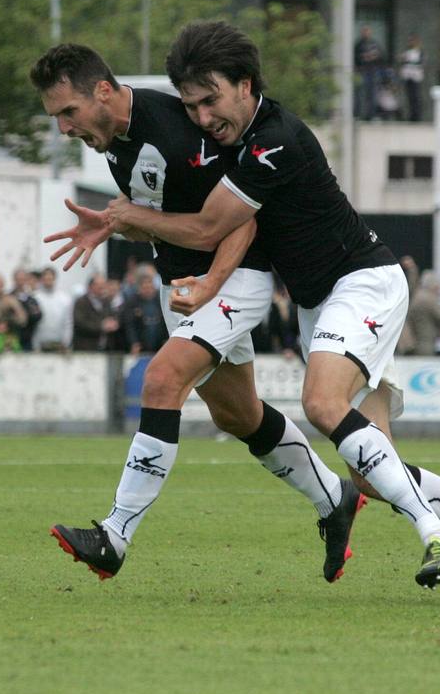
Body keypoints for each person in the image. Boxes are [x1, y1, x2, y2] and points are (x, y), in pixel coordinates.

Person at [53, 22, 440, 601]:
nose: (200, 117)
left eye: (210, 100)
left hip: (363, 281)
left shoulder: (275, 140)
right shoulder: (221, 139)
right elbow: (214, 223)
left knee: (319, 403)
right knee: (370, 471)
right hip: (318, 301)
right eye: (190, 105)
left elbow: (218, 225)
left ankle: (436, 535)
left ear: (245, 85)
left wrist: (135, 225)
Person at [32, 43, 362, 583]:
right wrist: (118, 224)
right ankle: (335, 497)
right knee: (239, 416)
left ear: (104, 91)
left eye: (69, 112)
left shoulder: (177, 131)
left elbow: (241, 219)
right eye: (56, 118)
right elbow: (163, 217)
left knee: (161, 382)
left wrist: (211, 281)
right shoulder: (114, 143)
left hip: (234, 280)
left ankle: (114, 536)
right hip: (182, 286)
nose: (65, 128)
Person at [31, 266, 73, 351]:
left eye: (50, 278)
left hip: (60, 345)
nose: (48, 281)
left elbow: (68, 323)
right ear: (41, 280)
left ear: (54, 279)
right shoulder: (34, 298)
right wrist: (34, 344)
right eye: (45, 279)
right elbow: (32, 323)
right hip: (39, 344)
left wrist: (66, 342)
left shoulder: (65, 299)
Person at [354, 26, 384, 121]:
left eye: (368, 31)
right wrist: (364, 57)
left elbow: (380, 56)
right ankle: (357, 114)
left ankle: (370, 115)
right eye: (364, 31)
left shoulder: (374, 43)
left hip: (372, 71)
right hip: (361, 71)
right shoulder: (359, 44)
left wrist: (372, 57)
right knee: (359, 94)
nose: (366, 33)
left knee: (371, 94)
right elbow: (356, 57)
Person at [398, 35, 425, 122]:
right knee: (410, 97)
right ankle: (412, 115)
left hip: (415, 77)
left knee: (416, 97)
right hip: (408, 77)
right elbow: (403, 62)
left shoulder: (419, 52)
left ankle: (417, 115)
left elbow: (419, 64)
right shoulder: (407, 52)